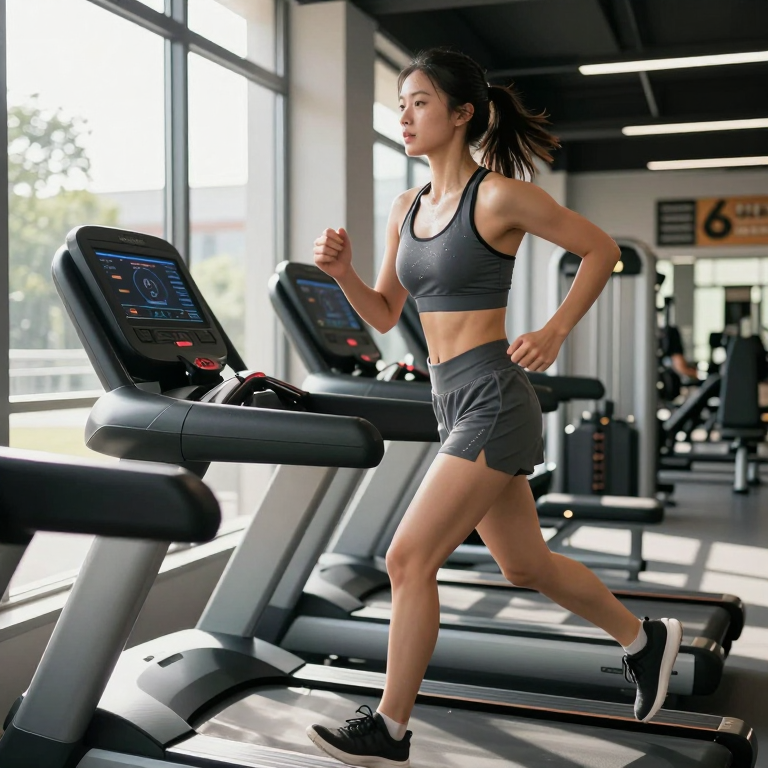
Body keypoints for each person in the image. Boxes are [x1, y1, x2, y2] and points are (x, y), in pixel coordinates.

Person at [306, 48, 682, 768]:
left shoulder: (498, 197)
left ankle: (389, 729)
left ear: (461, 114)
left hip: (494, 397)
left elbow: (601, 250)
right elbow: (386, 314)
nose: (406, 116)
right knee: (524, 565)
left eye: (419, 103)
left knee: (408, 557)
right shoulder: (405, 207)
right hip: (448, 397)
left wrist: (554, 330)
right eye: (402, 104)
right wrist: (342, 273)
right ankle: (643, 639)